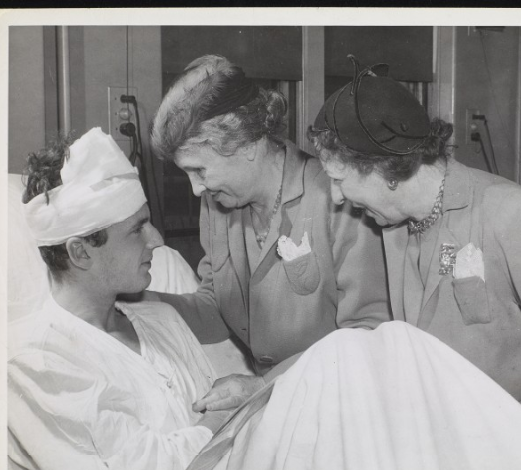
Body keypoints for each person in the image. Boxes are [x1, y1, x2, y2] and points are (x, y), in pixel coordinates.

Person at [307, 56, 521, 470]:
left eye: (340, 178)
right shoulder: (394, 228)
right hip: (453, 460)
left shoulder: (515, 218)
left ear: (384, 168)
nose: (335, 197)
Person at [8, 128, 226, 470]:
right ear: (80, 251)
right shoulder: (36, 362)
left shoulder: (159, 320)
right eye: (137, 229)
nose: (157, 239)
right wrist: (224, 418)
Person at [148, 54, 391, 411]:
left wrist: (264, 384)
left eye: (198, 170)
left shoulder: (335, 200)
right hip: (275, 402)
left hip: (339, 401)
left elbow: (367, 335)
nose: (196, 189)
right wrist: (141, 304)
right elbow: (215, 308)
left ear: (244, 144)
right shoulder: (218, 204)